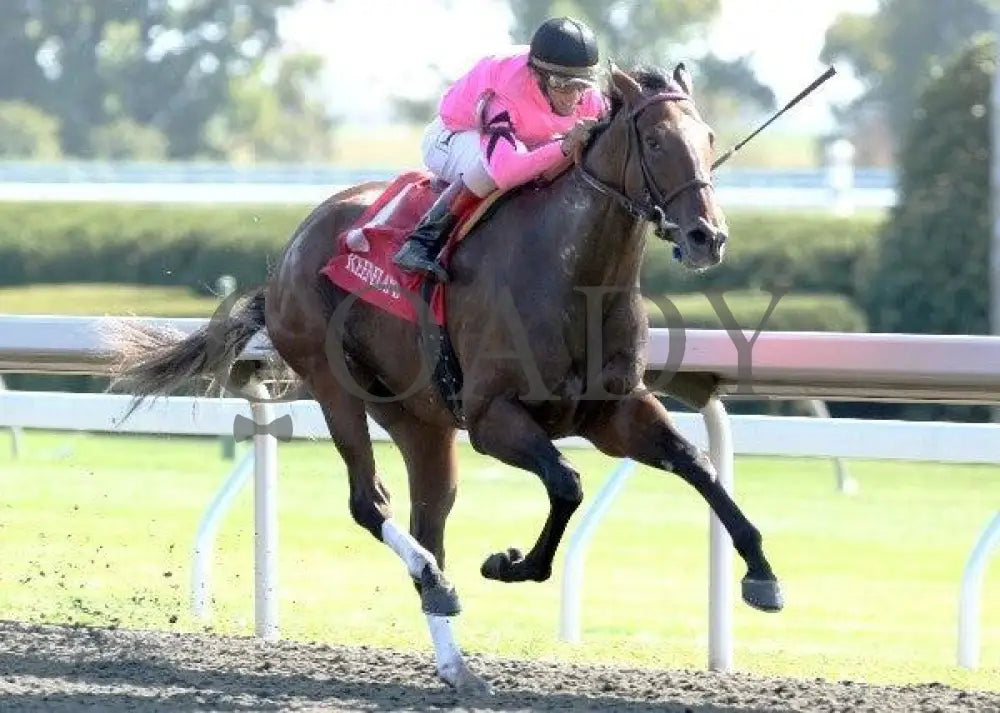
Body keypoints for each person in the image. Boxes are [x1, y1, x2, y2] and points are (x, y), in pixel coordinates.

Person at [392, 16, 608, 282]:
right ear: (536, 75)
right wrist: (563, 146)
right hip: (452, 135)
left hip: (520, 136)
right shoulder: (505, 90)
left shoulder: (590, 99)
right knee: (493, 170)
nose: (572, 97)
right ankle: (422, 241)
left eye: (581, 85)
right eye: (561, 85)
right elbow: (504, 171)